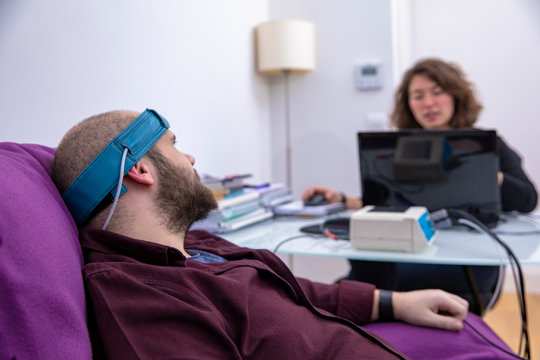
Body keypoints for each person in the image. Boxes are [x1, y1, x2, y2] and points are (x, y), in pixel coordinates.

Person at [50, 109, 518, 359]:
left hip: (360, 335)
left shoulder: (197, 245)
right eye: (175, 145)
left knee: (471, 325)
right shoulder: (138, 298)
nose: (191, 160)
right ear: (140, 170)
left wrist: (395, 302)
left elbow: (293, 287)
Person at [302, 58, 538, 315]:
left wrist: (488, 172)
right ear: (409, 104)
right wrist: (341, 199)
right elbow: (389, 203)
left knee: (358, 282)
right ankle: (350, 308)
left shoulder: (487, 145)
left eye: (437, 92)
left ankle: (352, 304)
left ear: (456, 96)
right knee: (362, 257)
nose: (428, 103)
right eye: (418, 96)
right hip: (411, 251)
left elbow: (527, 200)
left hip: (465, 262)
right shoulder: (403, 148)